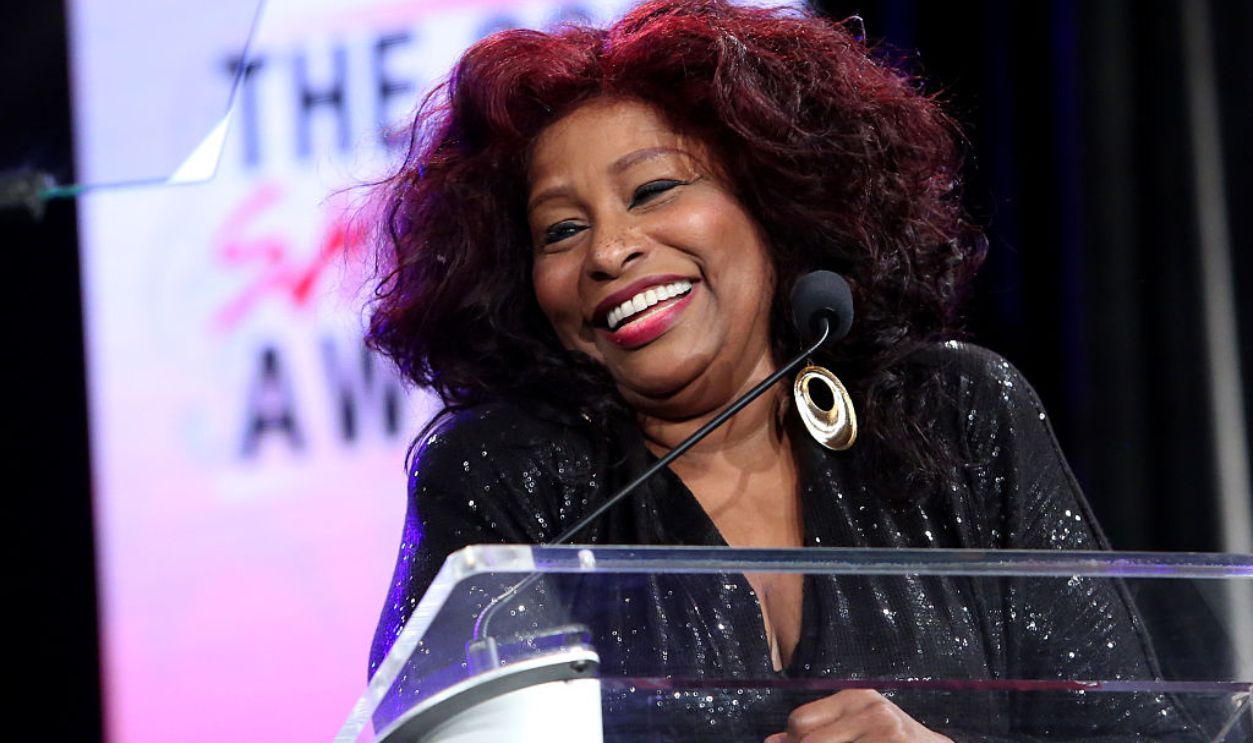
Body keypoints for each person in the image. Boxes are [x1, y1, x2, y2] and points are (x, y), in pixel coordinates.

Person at [364, 1, 1205, 740]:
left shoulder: (954, 414)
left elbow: (1133, 729)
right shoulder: (506, 480)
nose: (610, 250)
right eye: (559, 231)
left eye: (652, 189)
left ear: (770, 201)